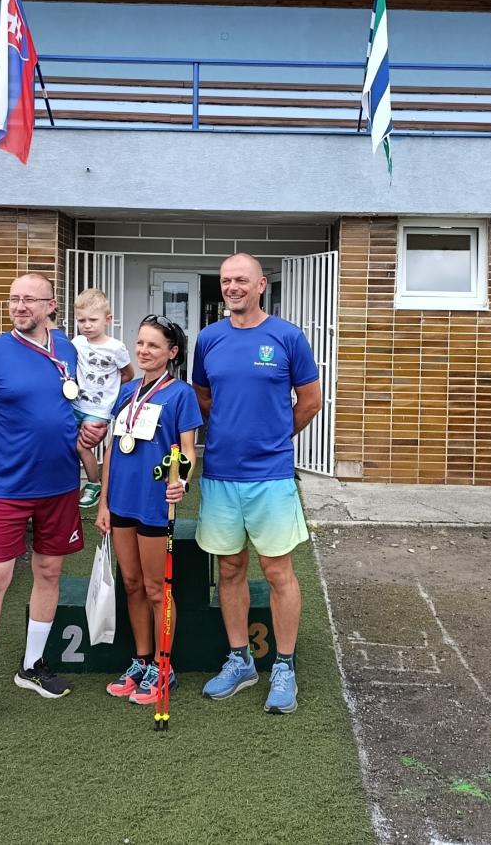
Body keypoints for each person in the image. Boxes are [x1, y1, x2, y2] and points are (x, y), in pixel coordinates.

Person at [0, 272, 107, 735]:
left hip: (61, 487)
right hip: (8, 491)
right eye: (14, 299)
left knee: (49, 573)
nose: (19, 306)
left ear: (51, 305)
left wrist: (90, 427)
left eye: (29, 300)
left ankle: (31, 665)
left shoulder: (69, 349)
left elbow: (79, 405)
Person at [193, 253, 321, 714]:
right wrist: (231, 429)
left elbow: (311, 400)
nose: (232, 287)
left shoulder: (287, 336)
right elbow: (203, 394)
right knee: (230, 568)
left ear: (261, 284)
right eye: (226, 280)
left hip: (270, 476)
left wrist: (275, 436)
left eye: (241, 280)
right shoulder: (208, 338)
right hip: (221, 474)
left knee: (276, 570)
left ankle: (284, 666)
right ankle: (240, 660)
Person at [96, 315, 202, 704]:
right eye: (140, 343)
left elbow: (188, 450)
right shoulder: (127, 391)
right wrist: (104, 501)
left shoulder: (181, 394)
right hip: (122, 501)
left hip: (154, 504)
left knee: (157, 589)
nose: (143, 350)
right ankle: (141, 660)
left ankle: (163, 665)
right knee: (132, 584)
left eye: (153, 345)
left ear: (172, 353)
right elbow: (112, 449)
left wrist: (182, 480)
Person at [71, 288, 134, 509]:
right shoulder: (77, 343)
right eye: (81, 320)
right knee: (63, 441)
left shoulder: (116, 348)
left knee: (82, 446)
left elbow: (128, 374)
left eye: (93, 320)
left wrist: (109, 391)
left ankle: (94, 483)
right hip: (75, 404)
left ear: (108, 319)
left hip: (98, 409)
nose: (87, 325)